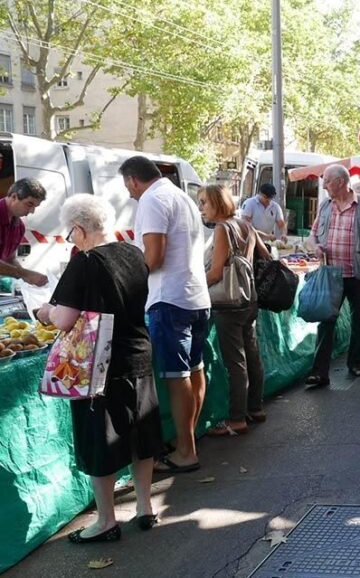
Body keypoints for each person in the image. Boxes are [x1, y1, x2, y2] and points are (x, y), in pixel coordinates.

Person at [36, 194, 162, 542]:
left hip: (98, 365)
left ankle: (106, 520)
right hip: (139, 352)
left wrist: (44, 312)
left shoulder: (86, 262)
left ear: (78, 230)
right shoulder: (133, 253)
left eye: (69, 231)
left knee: (100, 440)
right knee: (141, 434)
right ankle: (145, 508)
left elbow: (63, 319)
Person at [120, 156, 209, 474]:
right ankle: (189, 441)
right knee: (194, 370)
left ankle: (187, 450)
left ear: (132, 180)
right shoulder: (181, 196)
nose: (128, 192)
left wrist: (124, 275)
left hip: (168, 299)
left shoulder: (151, 200)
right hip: (196, 296)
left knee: (177, 376)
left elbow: (153, 257)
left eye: (127, 186)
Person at [306, 165, 360, 385]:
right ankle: (319, 372)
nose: (324, 187)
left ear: (340, 182)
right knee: (326, 321)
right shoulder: (325, 206)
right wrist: (315, 246)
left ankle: (355, 363)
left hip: (359, 272)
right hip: (331, 274)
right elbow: (313, 234)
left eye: (327, 182)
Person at [199, 185, 271, 437]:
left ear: (217, 203)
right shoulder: (245, 225)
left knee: (235, 362)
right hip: (248, 299)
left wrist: (194, 284)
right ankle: (255, 408)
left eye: (204, 202)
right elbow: (265, 256)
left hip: (227, 302)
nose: (201, 208)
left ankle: (237, 418)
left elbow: (217, 272)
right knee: (251, 355)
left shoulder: (222, 229)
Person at [0, 178, 49, 287]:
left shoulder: (20, 226)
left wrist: (26, 279)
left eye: (35, 207)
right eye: (29, 204)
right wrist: (25, 274)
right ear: (14, 197)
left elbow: (10, 259)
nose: (32, 211)